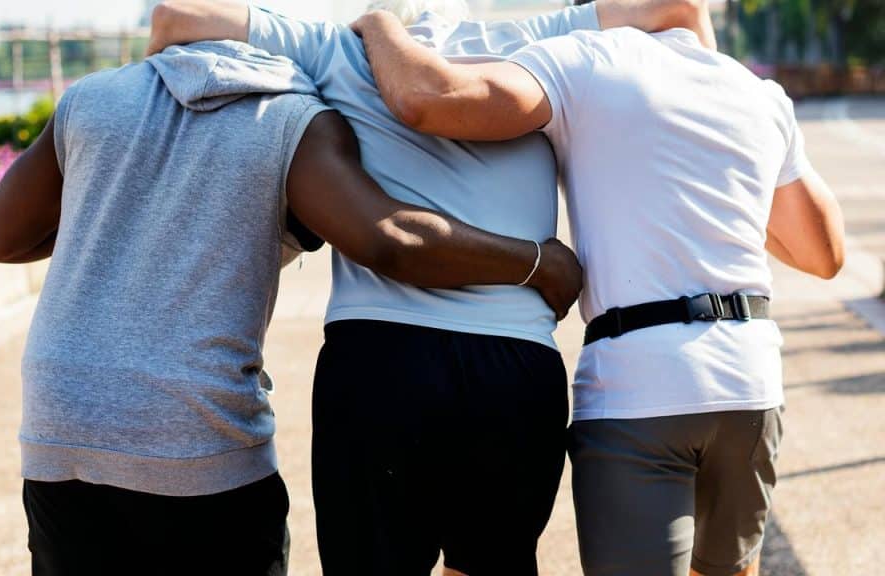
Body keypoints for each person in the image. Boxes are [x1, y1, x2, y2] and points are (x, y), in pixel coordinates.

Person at [147, 1, 712, 574]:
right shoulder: (537, 42)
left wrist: (366, 29)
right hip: (514, 365)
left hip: (377, 361)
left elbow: (176, 17)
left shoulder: (330, 46)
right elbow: (680, 9)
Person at [0, 40, 583, 575]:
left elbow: (0, 238)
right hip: (192, 424)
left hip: (62, 418)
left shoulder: (94, 96)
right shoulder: (291, 115)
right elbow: (385, 238)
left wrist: (123, 213)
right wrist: (536, 261)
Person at [352, 0, 847, 574]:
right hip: (751, 383)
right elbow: (824, 253)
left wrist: (379, 24)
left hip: (639, 385)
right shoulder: (756, 93)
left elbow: (427, 97)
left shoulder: (586, 59)